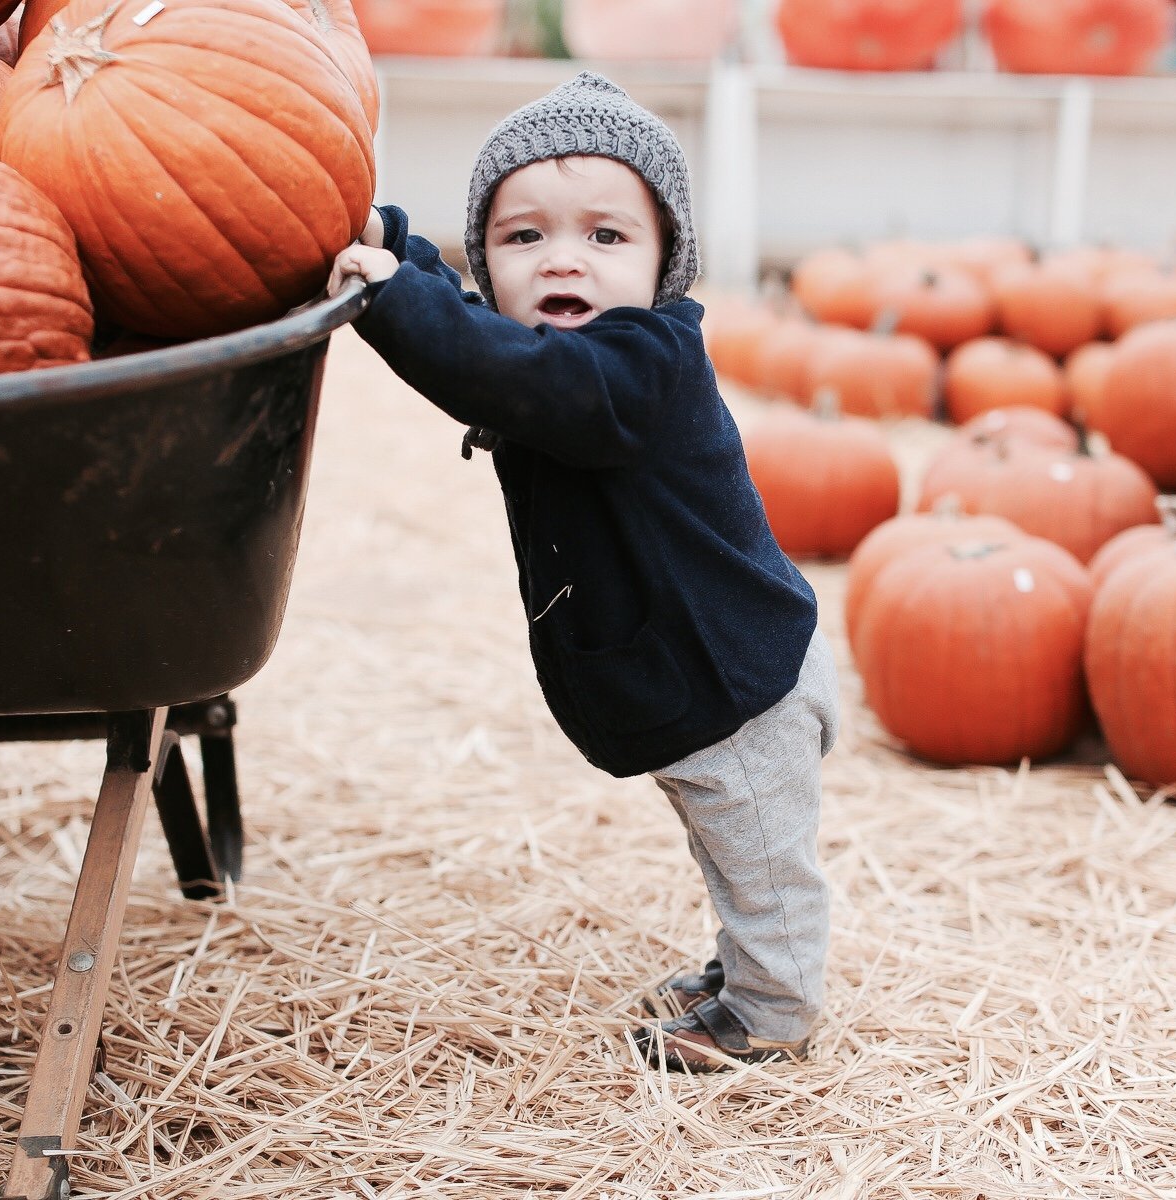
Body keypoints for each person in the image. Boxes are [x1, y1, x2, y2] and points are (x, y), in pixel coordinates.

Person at [328, 72, 838, 1072]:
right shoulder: (544, 349)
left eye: (607, 237)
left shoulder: (642, 363)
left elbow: (507, 374)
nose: (564, 257)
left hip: (738, 679)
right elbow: (481, 338)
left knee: (762, 859)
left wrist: (392, 305)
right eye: (524, 238)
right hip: (695, 671)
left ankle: (773, 1012)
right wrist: (391, 242)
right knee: (724, 841)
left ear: (664, 266)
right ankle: (745, 969)